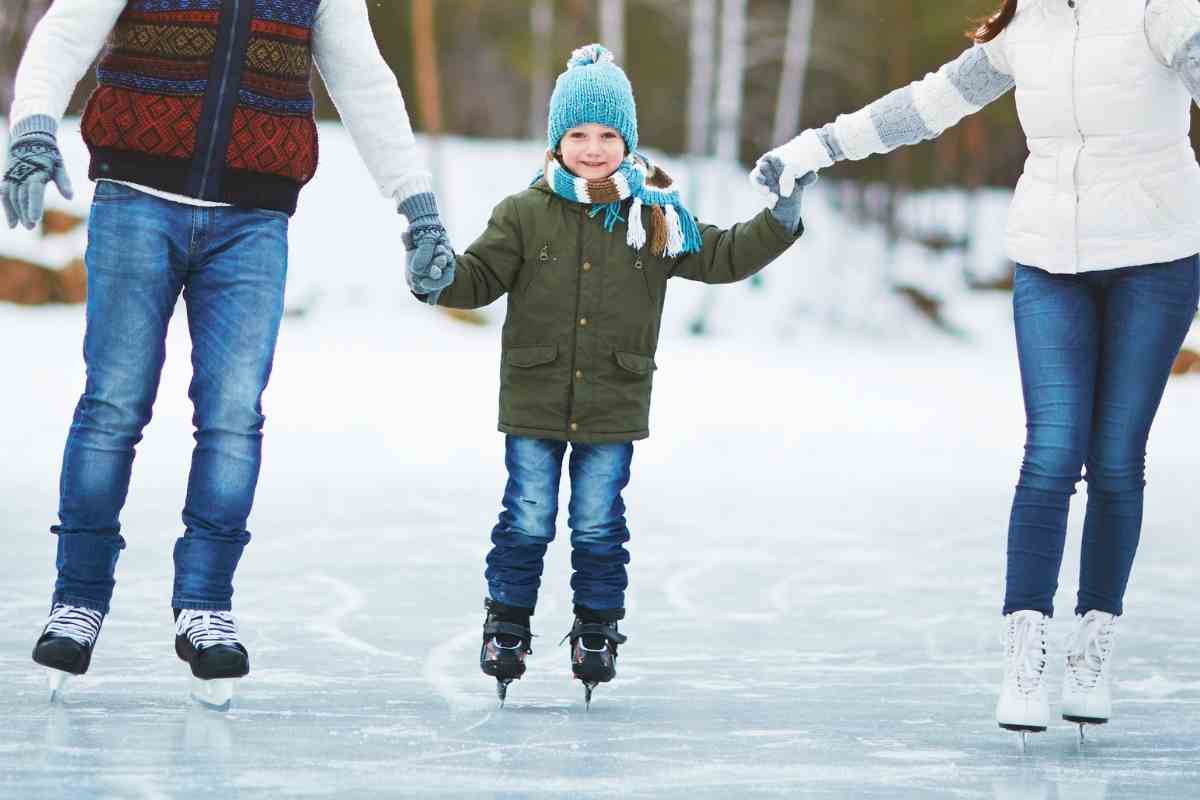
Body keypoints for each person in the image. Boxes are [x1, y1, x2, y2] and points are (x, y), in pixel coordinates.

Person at [751, 0, 1200, 736]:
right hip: (1050, 257)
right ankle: (1025, 653)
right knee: (1051, 453)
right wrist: (820, 147)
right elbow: (925, 106)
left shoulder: (1163, 12)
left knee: (1117, 460)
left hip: (1156, 259)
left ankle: (1093, 645)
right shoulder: (1026, 26)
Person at [2, 0, 452, 708]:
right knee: (114, 403)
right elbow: (65, 30)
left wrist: (416, 203)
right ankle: (77, 599)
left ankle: (206, 606)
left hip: (253, 219)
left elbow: (364, 80)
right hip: (135, 198)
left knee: (233, 415)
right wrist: (32, 128)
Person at [407, 44, 813, 706]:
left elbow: (724, 255)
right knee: (528, 516)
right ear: (556, 141)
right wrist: (438, 277)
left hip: (613, 402)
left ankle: (597, 629)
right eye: (578, 134)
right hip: (536, 396)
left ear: (627, 142)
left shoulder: (655, 216)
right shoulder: (523, 212)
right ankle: (507, 623)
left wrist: (782, 220)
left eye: (607, 135)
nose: (593, 149)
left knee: (599, 522)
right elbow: (477, 278)